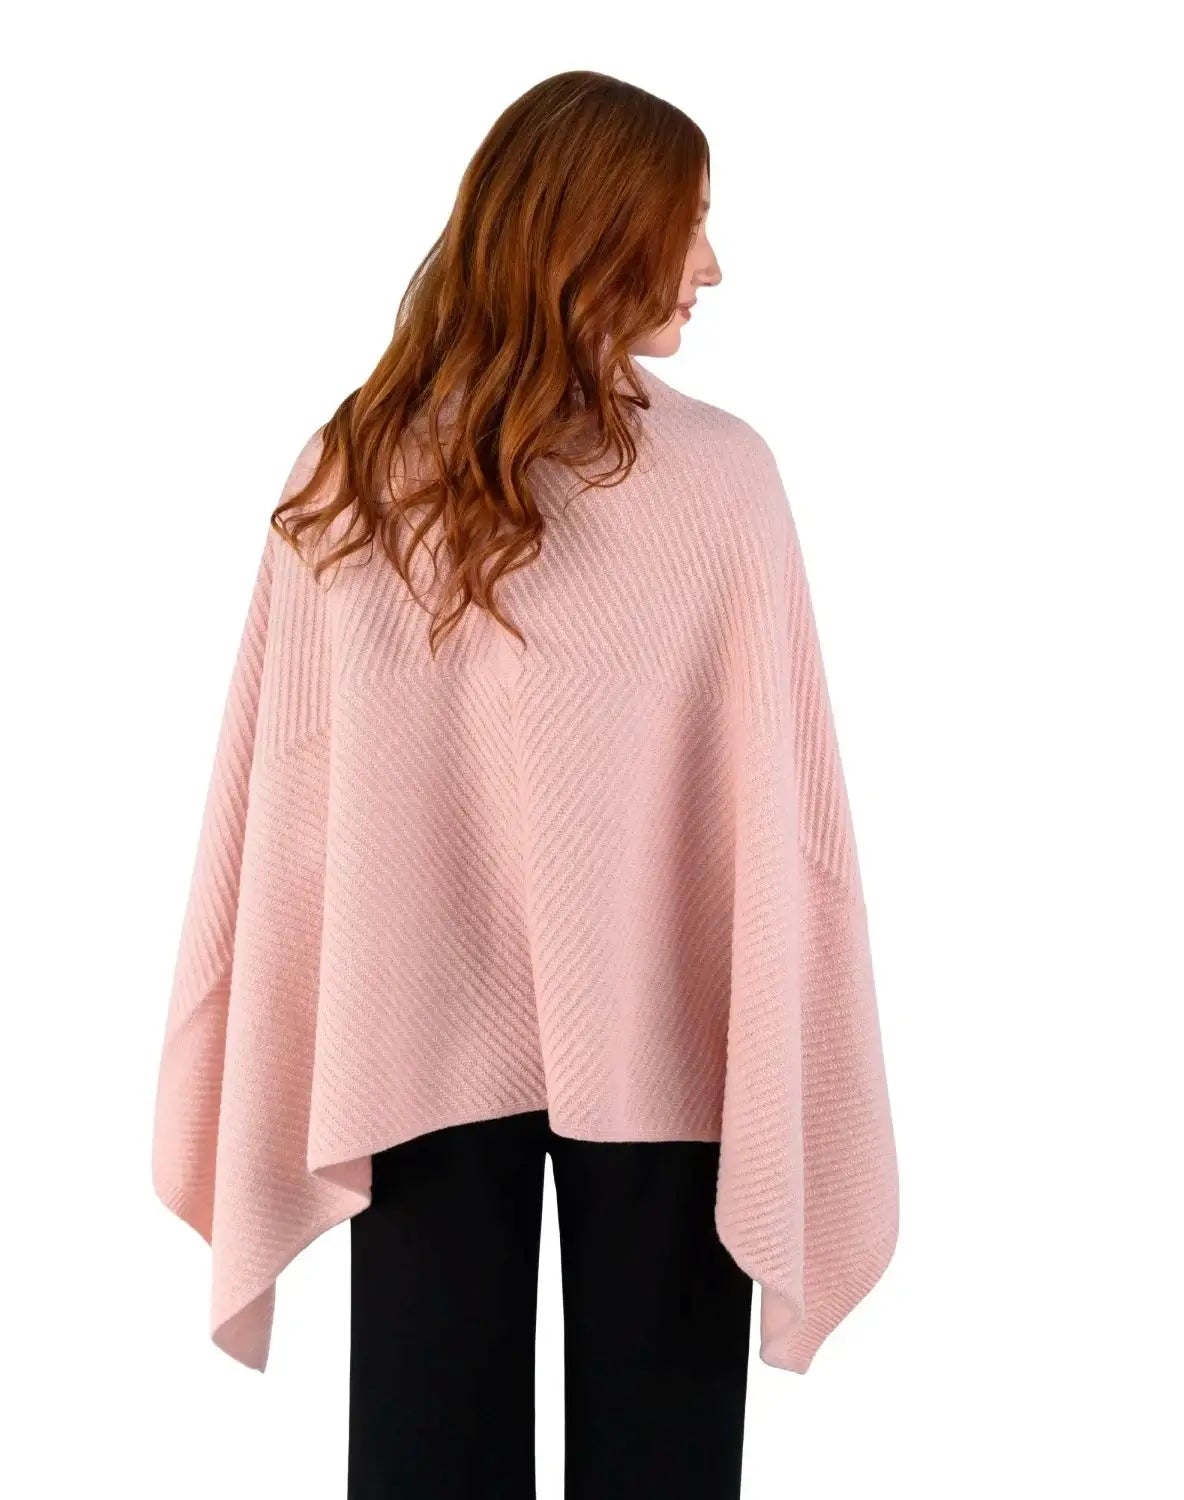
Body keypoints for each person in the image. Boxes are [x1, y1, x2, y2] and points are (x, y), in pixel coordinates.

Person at [151, 68, 899, 1500]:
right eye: (688, 224)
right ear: (598, 230)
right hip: (447, 1043)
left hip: (631, 1033)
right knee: (481, 1458)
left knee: (603, 1458)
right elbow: (295, 793)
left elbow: (769, 800)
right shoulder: (354, 475)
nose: (712, 267)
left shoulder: (707, 482)